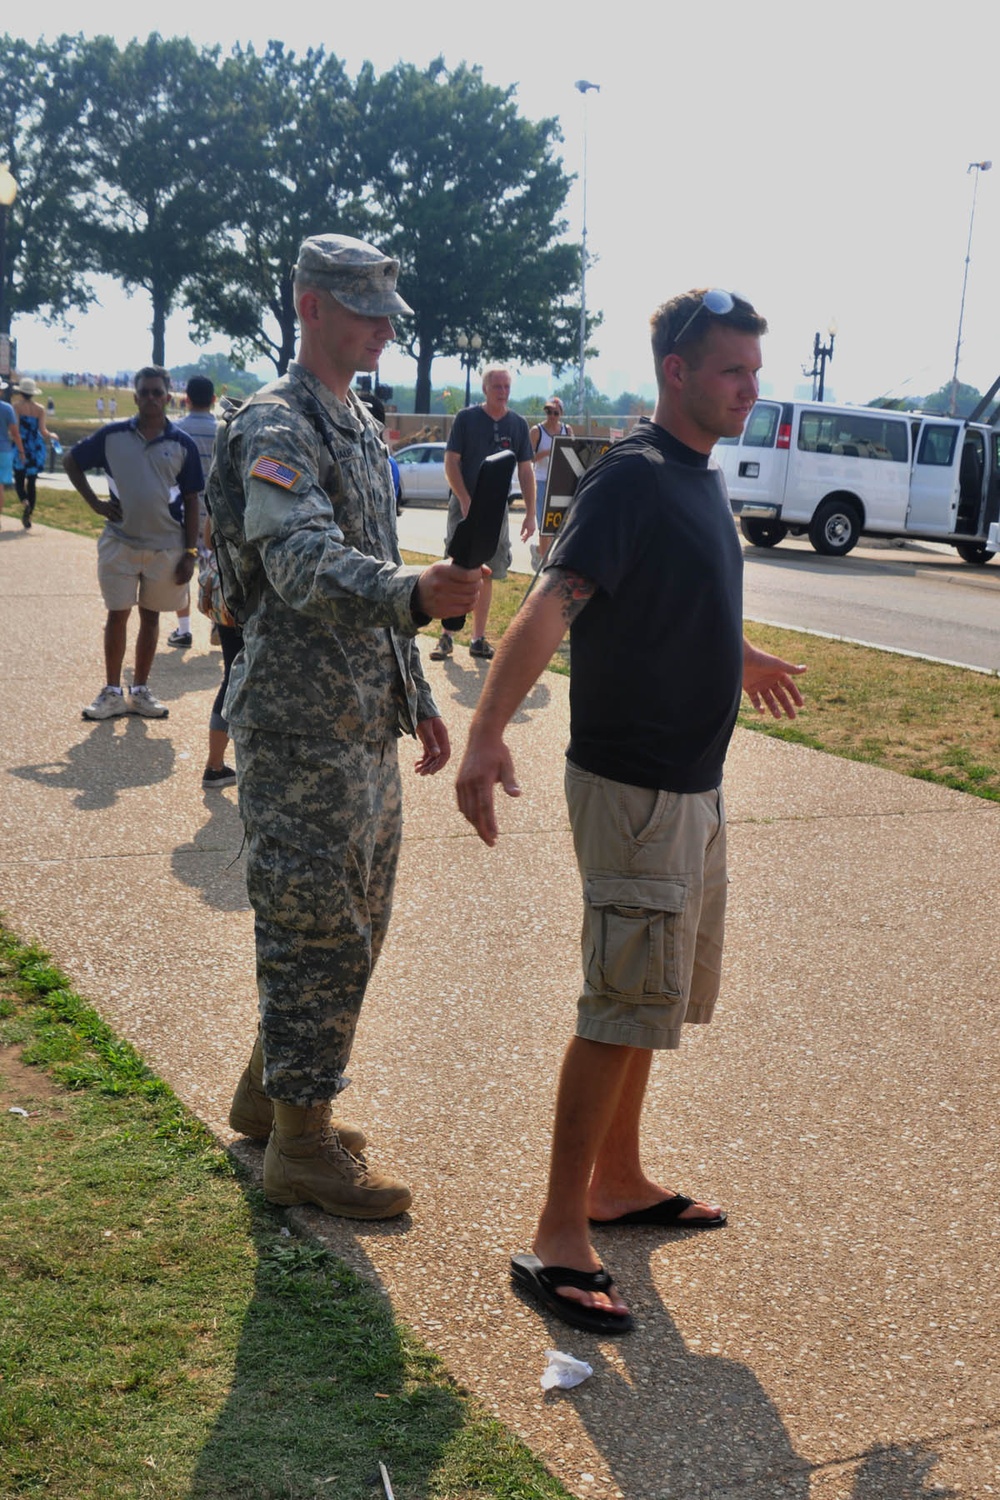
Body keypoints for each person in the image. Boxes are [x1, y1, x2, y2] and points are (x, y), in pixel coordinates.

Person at [455, 288, 807, 1334]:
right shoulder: (634, 479)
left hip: (689, 787)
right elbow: (552, 604)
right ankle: (560, 1232)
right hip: (636, 789)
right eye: (733, 370)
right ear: (676, 373)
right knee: (616, 1007)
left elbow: (662, 599)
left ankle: (617, 1181)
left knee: (649, 997)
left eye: (753, 367)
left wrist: (735, 655)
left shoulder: (695, 479)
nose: (751, 386)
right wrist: (483, 735)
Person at [212, 233, 484, 1219]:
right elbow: (299, 562)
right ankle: (300, 1149)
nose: (381, 329)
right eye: (364, 310)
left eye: (387, 313)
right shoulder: (277, 425)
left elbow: (367, 555)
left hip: (360, 723)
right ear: (310, 306)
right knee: (314, 932)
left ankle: (275, 1097)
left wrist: (415, 697)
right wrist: (414, 594)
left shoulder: (355, 421)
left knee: (354, 928)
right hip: (296, 728)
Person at [64, 366, 204, 720]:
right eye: (146, 392)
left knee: (151, 617)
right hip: (120, 542)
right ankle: (112, 692)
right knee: (117, 614)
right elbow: (71, 461)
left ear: (169, 397)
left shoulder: (182, 444)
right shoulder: (112, 436)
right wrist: (95, 503)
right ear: (136, 396)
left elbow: (191, 499)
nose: (153, 398)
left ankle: (140, 690)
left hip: (166, 547)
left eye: (159, 392)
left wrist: (190, 552)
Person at [431, 366, 536, 662]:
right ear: (485, 389)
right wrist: (464, 498)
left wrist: (530, 513)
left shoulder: (517, 424)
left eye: (506, 387)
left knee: (487, 571)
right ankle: (447, 637)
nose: (502, 392)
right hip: (463, 503)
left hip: (496, 509)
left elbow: (526, 470)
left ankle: (478, 639)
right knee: (458, 566)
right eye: (497, 387)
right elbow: (451, 462)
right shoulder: (466, 418)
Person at [168, 375, 217, 648]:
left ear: (186, 399)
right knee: (216, 570)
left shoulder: (176, 430)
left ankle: (184, 630)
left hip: (184, 513)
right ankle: (217, 623)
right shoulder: (224, 430)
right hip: (214, 515)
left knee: (183, 570)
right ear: (213, 400)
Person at [528, 396, 573, 567]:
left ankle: (539, 550)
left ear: (561, 413)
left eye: (555, 412)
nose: (551, 416)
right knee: (544, 525)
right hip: (541, 480)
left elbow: (572, 452)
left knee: (556, 526)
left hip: (560, 481)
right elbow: (528, 457)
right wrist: (548, 451)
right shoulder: (537, 431)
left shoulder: (566, 430)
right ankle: (545, 564)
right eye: (548, 412)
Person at [11, 378, 51, 529]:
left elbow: (16, 429)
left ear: (21, 392)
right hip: (35, 447)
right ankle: (29, 515)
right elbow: (43, 431)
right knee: (32, 483)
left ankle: (24, 502)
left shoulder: (16, 407)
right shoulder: (40, 409)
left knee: (19, 480)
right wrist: (52, 435)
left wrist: (20, 449)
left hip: (21, 445)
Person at [0, 385, 25, 524]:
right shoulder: (7, 408)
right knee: (0, 487)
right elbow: (15, 433)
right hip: (4, 449)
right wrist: (21, 451)